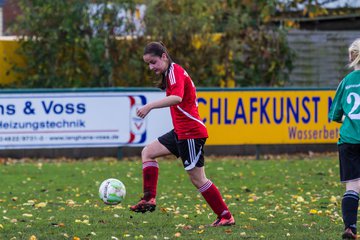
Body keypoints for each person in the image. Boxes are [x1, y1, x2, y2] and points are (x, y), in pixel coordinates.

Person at [129, 41, 235, 227]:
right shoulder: (169, 74)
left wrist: (149, 106)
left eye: (153, 62)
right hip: (181, 132)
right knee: (148, 152)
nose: (151, 67)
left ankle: (225, 215)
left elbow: (177, 97)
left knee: (198, 178)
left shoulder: (174, 71)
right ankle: (149, 199)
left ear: (164, 56)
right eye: (148, 64)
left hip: (191, 133)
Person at [329, 38, 360, 239]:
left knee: (353, 185)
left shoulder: (346, 81)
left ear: (352, 57)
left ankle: (350, 227)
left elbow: (335, 115)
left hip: (349, 140)